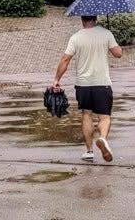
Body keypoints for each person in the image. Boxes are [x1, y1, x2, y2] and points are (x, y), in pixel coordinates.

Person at [53, 15, 124, 162]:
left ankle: (89, 150)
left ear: (82, 20)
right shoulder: (106, 33)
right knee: (104, 116)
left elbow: (65, 59)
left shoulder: (76, 37)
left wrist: (57, 79)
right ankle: (103, 139)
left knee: (87, 114)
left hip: (83, 85)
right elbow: (118, 54)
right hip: (102, 83)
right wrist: (112, 42)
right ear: (96, 18)